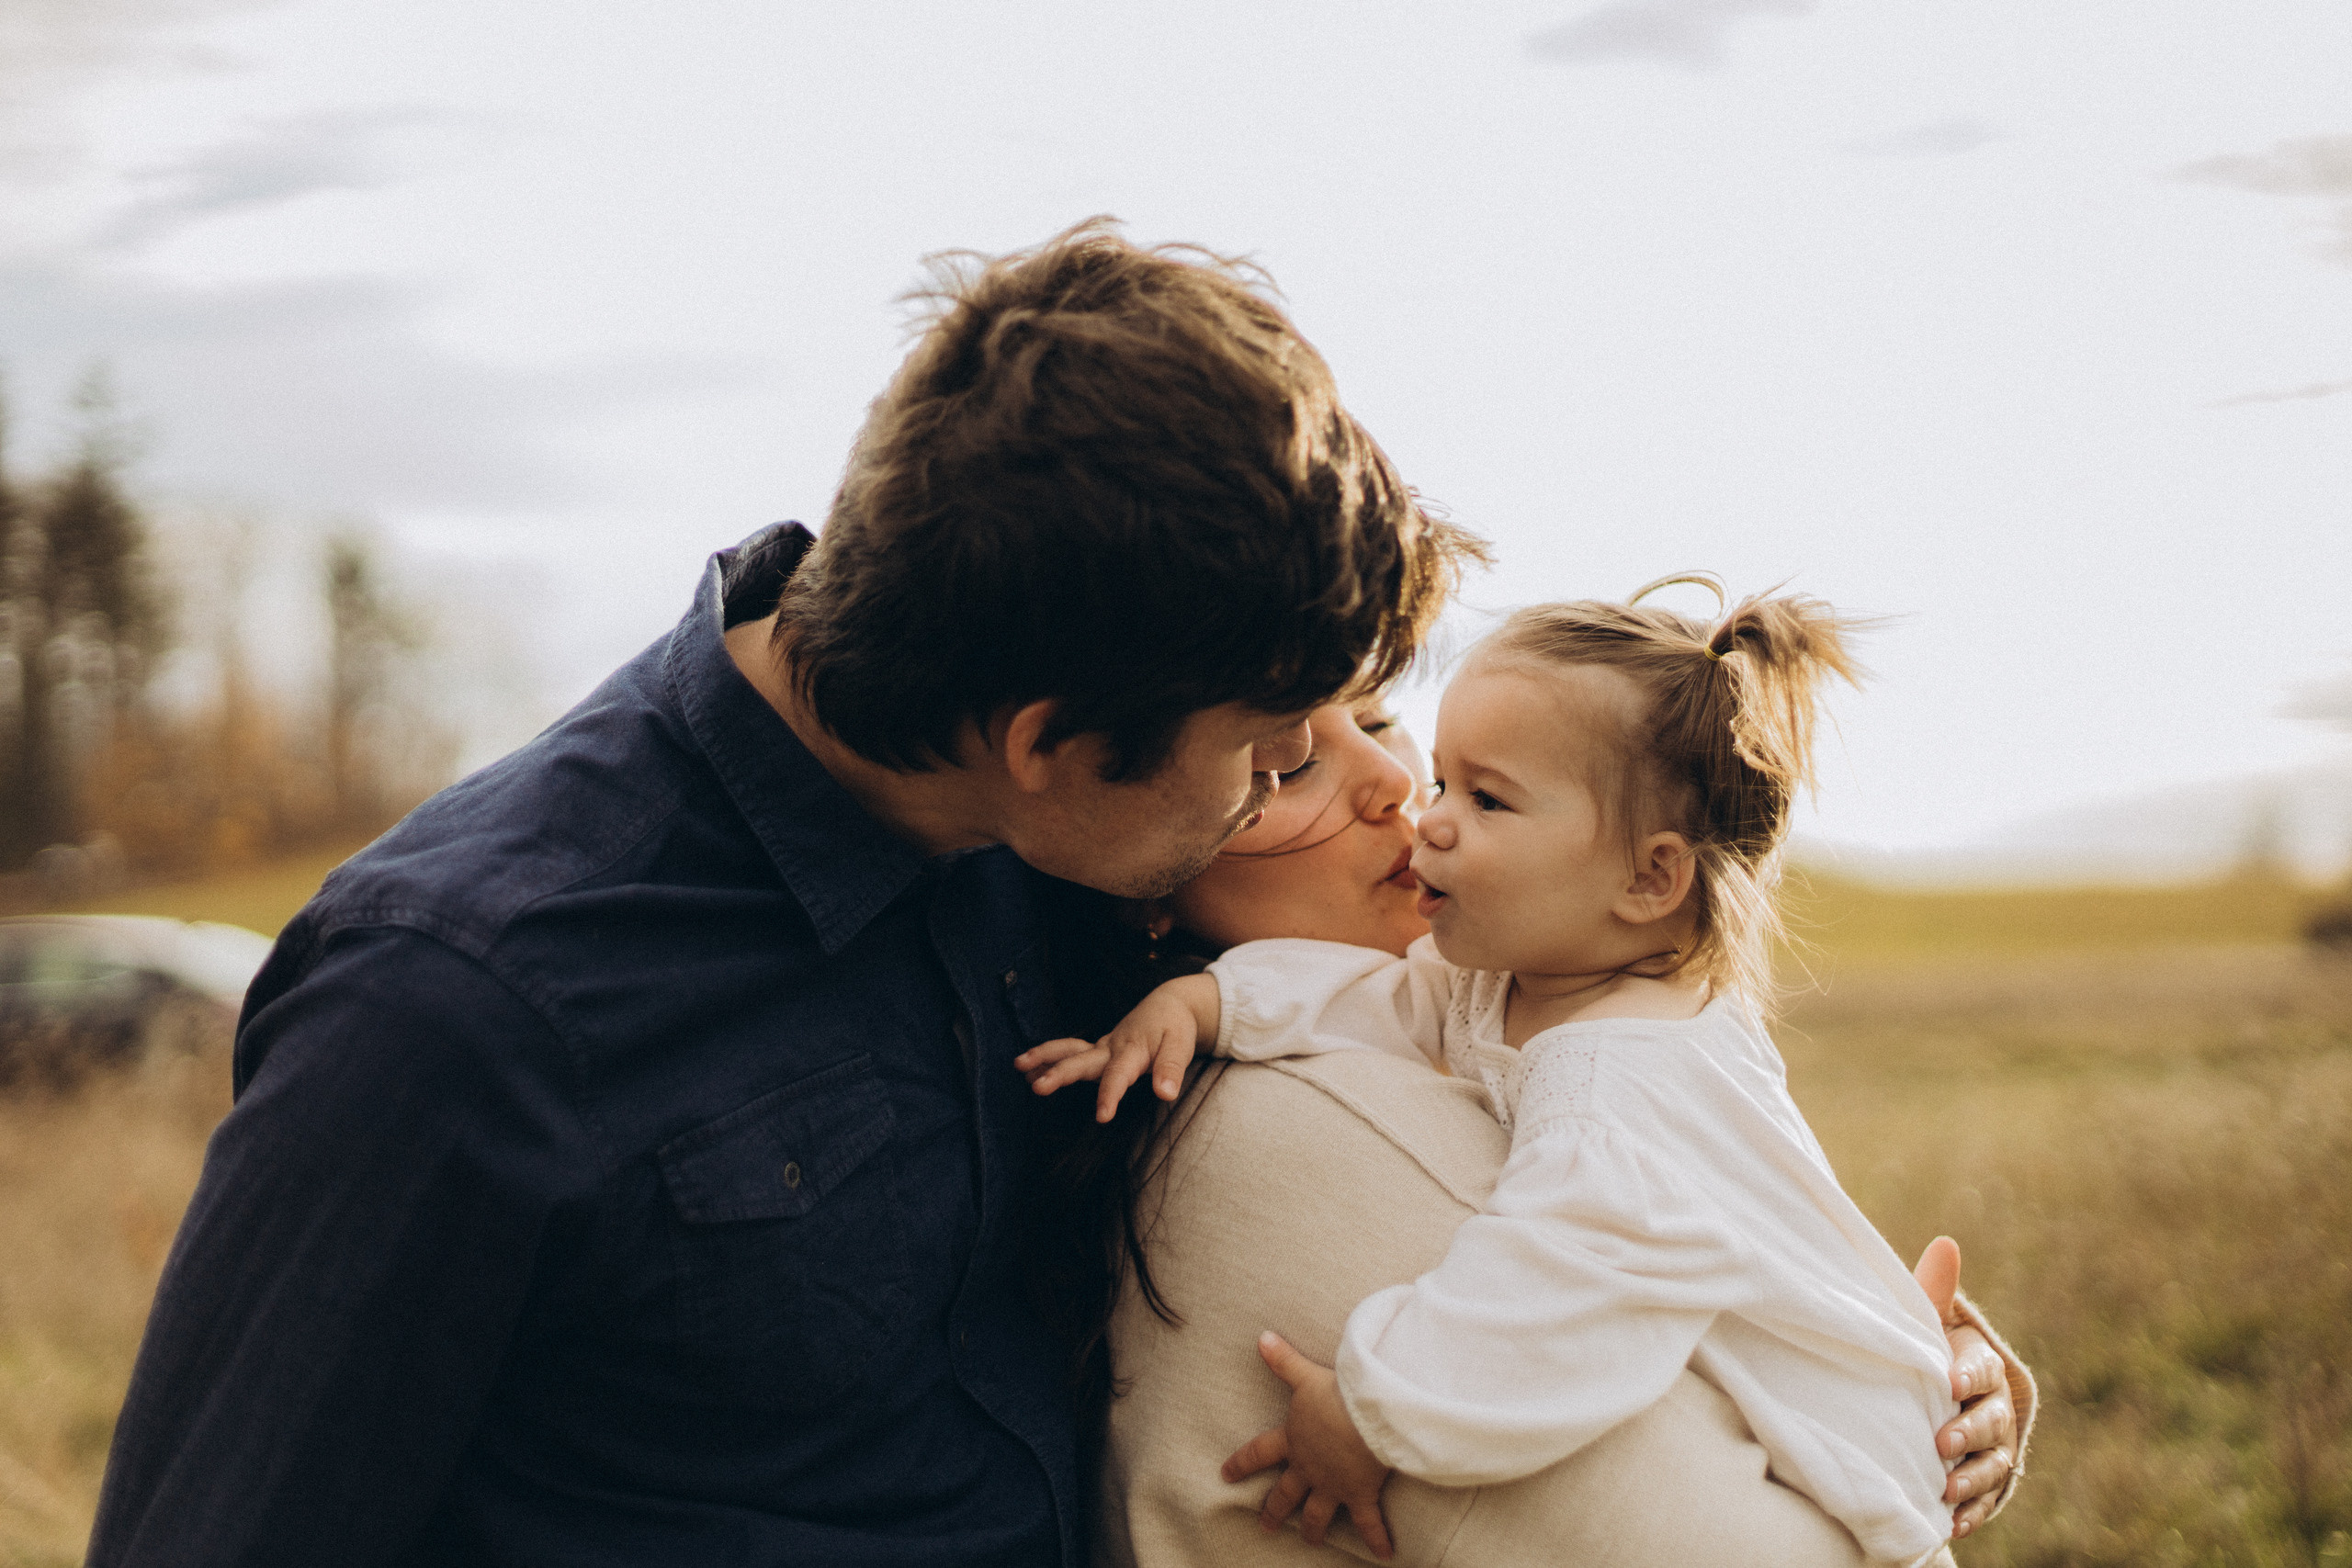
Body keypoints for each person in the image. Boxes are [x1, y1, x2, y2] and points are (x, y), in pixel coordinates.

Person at [84, 220, 1480, 1567]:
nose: (1285, 773)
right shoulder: (453, 1008)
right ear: (1047, 746)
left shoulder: (1059, 843)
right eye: (1261, 741)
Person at [1025, 594, 2035, 1564]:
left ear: (1650, 879)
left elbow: (1553, 1281)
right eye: (1285, 766)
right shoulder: (1305, 1112)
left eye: (1384, 720)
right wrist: (1203, 1007)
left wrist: (1376, 1408)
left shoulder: (1611, 1075)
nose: (1401, 792)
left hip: (1861, 1474)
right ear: (1140, 862)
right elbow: (1381, 1008)